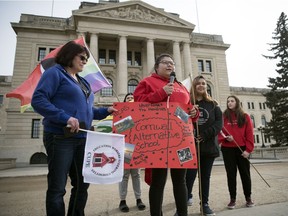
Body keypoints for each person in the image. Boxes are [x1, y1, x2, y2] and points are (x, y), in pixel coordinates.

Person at [31, 40, 116, 216]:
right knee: (57, 187)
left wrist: (106, 111)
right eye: (82, 57)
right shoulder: (55, 73)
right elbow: (38, 100)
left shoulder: (83, 82)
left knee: (82, 184)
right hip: (60, 137)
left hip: (82, 138)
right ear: (69, 55)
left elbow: (87, 111)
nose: (85, 61)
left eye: (86, 59)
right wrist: (65, 117)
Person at [133, 53, 199, 216]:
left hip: (181, 139)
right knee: (158, 181)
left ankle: (182, 213)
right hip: (157, 140)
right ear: (157, 66)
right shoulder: (147, 82)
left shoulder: (181, 86)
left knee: (180, 180)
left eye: (172, 63)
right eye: (166, 63)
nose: (170, 65)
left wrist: (193, 112)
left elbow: (187, 109)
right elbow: (138, 105)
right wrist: (161, 92)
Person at [185, 75, 223, 216]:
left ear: (206, 86)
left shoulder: (214, 104)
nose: (201, 85)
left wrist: (205, 135)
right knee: (188, 177)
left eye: (203, 83)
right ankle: (183, 204)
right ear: (194, 86)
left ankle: (205, 204)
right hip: (190, 147)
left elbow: (219, 124)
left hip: (208, 147)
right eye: (198, 84)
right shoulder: (188, 102)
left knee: (205, 177)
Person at [218, 95, 255, 209]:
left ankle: (248, 197)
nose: (230, 103)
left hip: (242, 149)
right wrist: (224, 138)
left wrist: (248, 150)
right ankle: (232, 199)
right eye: (228, 101)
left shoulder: (245, 116)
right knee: (231, 175)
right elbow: (219, 130)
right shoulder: (223, 116)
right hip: (227, 149)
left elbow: (249, 134)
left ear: (237, 102)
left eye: (232, 101)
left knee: (245, 174)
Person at [118, 93, 146, 212]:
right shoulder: (121, 113)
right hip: (126, 146)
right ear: (125, 101)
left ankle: (138, 199)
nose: (130, 99)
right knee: (124, 175)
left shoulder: (141, 112)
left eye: (132, 98)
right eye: (128, 98)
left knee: (136, 174)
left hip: (138, 146)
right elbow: (119, 128)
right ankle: (122, 200)